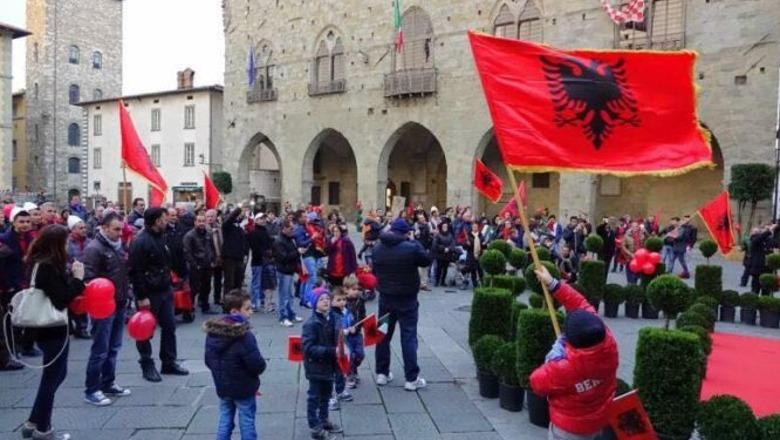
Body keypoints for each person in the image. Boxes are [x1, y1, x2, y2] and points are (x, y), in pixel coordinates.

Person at [529, 265, 618, 440]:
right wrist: (553, 284)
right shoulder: (607, 340)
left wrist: (552, 358)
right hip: (599, 418)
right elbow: (580, 304)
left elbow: (537, 382)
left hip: (567, 430)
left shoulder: (564, 367)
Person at [18, 225, 86, 440]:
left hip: (47, 328)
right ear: (56, 244)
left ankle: (33, 421)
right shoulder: (46, 266)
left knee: (55, 374)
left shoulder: (41, 262)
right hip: (51, 327)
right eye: (65, 242)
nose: (68, 246)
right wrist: (78, 278)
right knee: (53, 376)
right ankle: (43, 428)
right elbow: (61, 298)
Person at [128, 207, 189, 382]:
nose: (167, 220)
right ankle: (147, 364)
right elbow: (136, 271)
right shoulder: (140, 241)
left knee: (169, 327)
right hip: (149, 293)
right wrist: (141, 296)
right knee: (145, 331)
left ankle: (169, 362)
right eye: (164, 218)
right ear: (157, 221)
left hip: (164, 289)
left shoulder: (162, 237)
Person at [372, 218, 432, 391]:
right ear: (406, 232)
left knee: (382, 334)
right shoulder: (411, 247)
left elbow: (375, 271)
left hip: (385, 299)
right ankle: (411, 378)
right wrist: (415, 241)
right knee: (408, 336)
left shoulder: (377, 248)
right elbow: (426, 260)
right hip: (407, 299)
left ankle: (382, 373)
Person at [81, 212, 132, 406]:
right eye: (116, 229)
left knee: (113, 347)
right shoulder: (94, 249)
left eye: (121, 229)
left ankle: (108, 382)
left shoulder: (118, 246)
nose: (120, 233)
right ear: (104, 227)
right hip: (103, 306)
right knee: (100, 349)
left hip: (119, 301)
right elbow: (89, 278)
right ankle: (92, 389)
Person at [204, 290, 267, 440]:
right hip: (244, 388)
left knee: (225, 419)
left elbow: (208, 360)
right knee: (247, 420)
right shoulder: (245, 336)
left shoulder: (213, 333)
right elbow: (257, 364)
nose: (251, 312)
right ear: (234, 311)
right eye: (247, 308)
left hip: (223, 387)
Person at [302, 289, 344, 439]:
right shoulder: (311, 324)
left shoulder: (332, 318)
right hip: (316, 367)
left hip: (329, 365)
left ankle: (324, 420)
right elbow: (308, 348)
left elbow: (337, 336)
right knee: (314, 397)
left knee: (326, 394)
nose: (326, 301)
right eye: (321, 299)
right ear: (315, 304)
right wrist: (331, 351)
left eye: (327, 298)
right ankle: (315, 427)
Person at [0, 208, 34, 371]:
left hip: (25, 283)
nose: (25, 225)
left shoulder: (31, 239)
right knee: (9, 322)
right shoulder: (4, 240)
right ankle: (10, 353)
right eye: (21, 221)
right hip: (9, 285)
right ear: (13, 222)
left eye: (27, 222)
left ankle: (20, 347)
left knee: (22, 319)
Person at [183, 211, 217, 314]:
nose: (201, 223)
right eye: (199, 221)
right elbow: (187, 252)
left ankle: (205, 307)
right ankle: (190, 308)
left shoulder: (208, 233)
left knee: (207, 287)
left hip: (207, 265)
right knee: (194, 288)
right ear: (195, 222)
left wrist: (213, 260)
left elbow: (212, 248)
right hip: (196, 266)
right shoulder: (189, 235)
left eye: (203, 221)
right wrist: (195, 265)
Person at [327, 287, 354, 411]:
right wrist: (344, 331)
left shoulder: (345, 311)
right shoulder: (331, 314)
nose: (342, 302)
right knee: (330, 371)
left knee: (341, 368)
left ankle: (340, 390)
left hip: (342, 344)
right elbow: (333, 330)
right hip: (332, 346)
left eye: (344, 299)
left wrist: (351, 328)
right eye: (338, 300)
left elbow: (349, 323)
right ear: (332, 301)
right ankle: (328, 395)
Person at [273, 220, 303, 327]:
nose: (292, 230)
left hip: (289, 270)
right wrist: (297, 252)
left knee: (290, 294)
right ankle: (283, 317)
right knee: (284, 295)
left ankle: (290, 314)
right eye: (290, 228)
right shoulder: (279, 241)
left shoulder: (290, 239)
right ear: (284, 229)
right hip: (283, 271)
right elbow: (283, 258)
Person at [65, 216, 91, 340]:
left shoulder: (89, 241)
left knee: (82, 303)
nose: (84, 230)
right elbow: (63, 260)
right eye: (80, 228)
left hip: (85, 276)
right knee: (71, 303)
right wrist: (72, 268)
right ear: (73, 229)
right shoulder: (66, 243)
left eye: (85, 227)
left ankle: (82, 328)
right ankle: (70, 326)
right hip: (71, 277)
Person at [342, 275, 365, 389]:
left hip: (357, 333)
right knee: (350, 354)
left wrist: (358, 326)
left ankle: (354, 368)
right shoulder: (342, 302)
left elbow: (362, 316)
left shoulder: (360, 301)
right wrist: (345, 328)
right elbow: (339, 317)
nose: (356, 291)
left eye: (357, 289)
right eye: (353, 289)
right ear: (346, 289)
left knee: (360, 354)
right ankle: (349, 374)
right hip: (346, 335)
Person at [248, 213, 274, 312]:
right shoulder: (254, 232)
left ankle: (262, 301)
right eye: (260, 219)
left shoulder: (265, 231)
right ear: (256, 220)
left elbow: (269, 244)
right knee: (256, 283)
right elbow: (255, 248)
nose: (263, 220)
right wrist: (265, 253)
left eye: (264, 218)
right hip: (258, 261)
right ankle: (254, 303)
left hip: (266, 261)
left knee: (263, 283)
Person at [222, 207, 249, 291]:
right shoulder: (227, 226)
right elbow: (230, 219)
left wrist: (245, 254)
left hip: (239, 257)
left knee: (238, 281)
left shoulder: (239, 227)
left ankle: (236, 298)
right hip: (230, 258)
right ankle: (227, 298)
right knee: (229, 282)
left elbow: (243, 242)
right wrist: (239, 209)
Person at [206, 209, 224, 308]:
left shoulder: (219, 227)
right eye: (208, 216)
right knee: (206, 281)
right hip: (209, 258)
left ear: (216, 217)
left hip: (219, 257)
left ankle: (217, 298)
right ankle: (203, 300)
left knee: (218, 279)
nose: (210, 218)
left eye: (212, 216)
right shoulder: (204, 228)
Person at [432, 221, 455, 287]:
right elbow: (435, 245)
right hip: (440, 254)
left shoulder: (450, 235)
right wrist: (443, 248)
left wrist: (448, 249)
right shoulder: (438, 235)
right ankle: (437, 281)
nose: (445, 227)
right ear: (441, 227)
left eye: (446, 226)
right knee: (439, 268)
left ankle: (442, 281)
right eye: (444, 226)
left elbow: (453, 244)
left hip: (447, 255)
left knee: (445, 269)